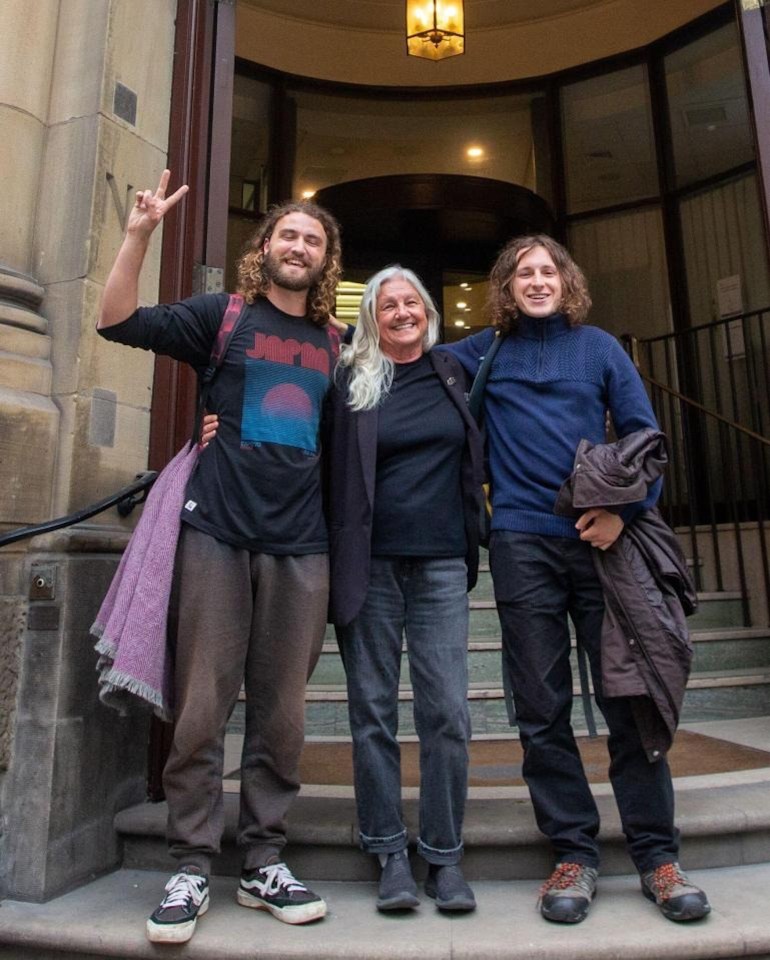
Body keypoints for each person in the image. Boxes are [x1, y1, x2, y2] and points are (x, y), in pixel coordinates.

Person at [97, 170, 342, 944]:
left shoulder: (335, 342)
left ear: (325, 260)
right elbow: (116, 321)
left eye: (314, 239)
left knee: (283, 715)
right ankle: (192, 862)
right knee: (203, 705)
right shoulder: (223, 317)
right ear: (264, 248)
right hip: (217, 535)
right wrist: (139, 234)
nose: (299, 246)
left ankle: (265, 858)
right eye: (288, 234)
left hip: (302, 547)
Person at [445, 235, 711, 924]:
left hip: (601, 547)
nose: (537, 282)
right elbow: (405, 372)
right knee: (540, 707)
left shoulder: (599, 349)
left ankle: (657, 855)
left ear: (567, 281)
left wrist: (622, 513)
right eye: (523, 273)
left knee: (629, 699)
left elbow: (646, 440)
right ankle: (573, 854)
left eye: (548, 271)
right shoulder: (483, 352)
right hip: (521, 544)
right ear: (505, 285)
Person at [325, 266, 485, 913]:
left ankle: (443, 856)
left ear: (427, 311)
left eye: (409, 302)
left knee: (446, 712)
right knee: (371, 710)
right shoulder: (350, 382)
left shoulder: (454, 372)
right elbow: (310, 455)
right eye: (386, 304)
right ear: (370, 317)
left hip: (443, 563)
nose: (400, 312)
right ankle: (389, 850)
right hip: (371, 566)